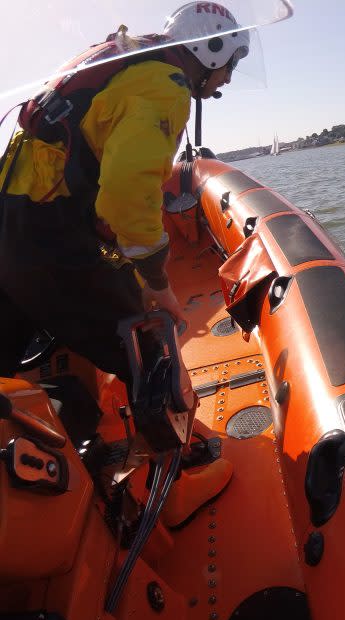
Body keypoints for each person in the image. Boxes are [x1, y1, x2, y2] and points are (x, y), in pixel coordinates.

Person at [0, 2, 247, 519]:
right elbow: (126, 195)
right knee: (146, 338)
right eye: (230, 63)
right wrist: (156, 281)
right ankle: (172, 482)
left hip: (14, 220)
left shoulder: (128, 63)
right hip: (48, 237)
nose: (227, 78)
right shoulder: (165, 85)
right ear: (210, 49)